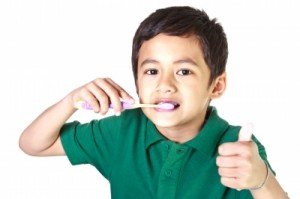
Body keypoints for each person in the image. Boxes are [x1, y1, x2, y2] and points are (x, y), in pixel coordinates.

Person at [19, 6, 288, 199]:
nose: (164, 85)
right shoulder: (121, 132)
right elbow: (32, 144)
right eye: (151, 71)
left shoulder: (238, 149)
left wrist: (260, 180)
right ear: (136, 82)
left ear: (216, 85)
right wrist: (71, 101)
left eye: (183, 71)